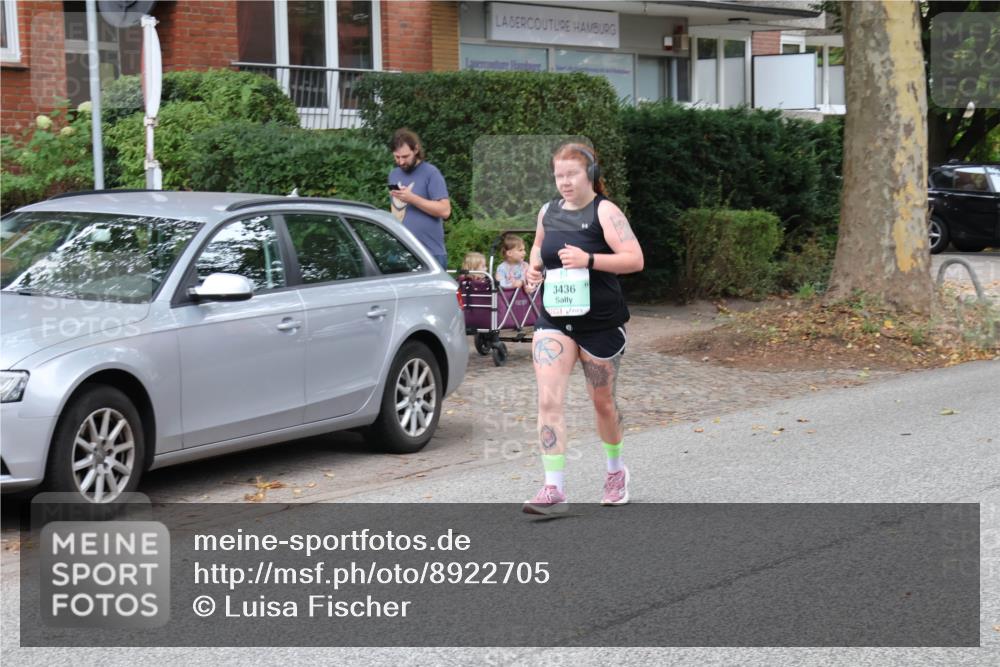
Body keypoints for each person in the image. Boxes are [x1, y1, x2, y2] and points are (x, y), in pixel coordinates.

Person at [522, 143, 644, 515]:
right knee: (548, 400)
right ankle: (553, 488)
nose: (565, 182)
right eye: (559, 175)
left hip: (600, 325)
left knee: (601, 402)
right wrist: (533, 270)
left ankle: (615, 470)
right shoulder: (548, 211)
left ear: (589, 174)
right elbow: (539, 246)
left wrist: (589, 259)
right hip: (555, 322)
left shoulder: (605, 212)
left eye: (572, 174)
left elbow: (634, 260)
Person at [387, 128, 452, 269]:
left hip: (429, 254)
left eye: (405, 156)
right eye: (397, 157)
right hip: (400, 252)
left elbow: (445, 211)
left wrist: (412, 198)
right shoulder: (393, 174)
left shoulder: (431, 173)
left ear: (416, 150)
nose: (401, 162)